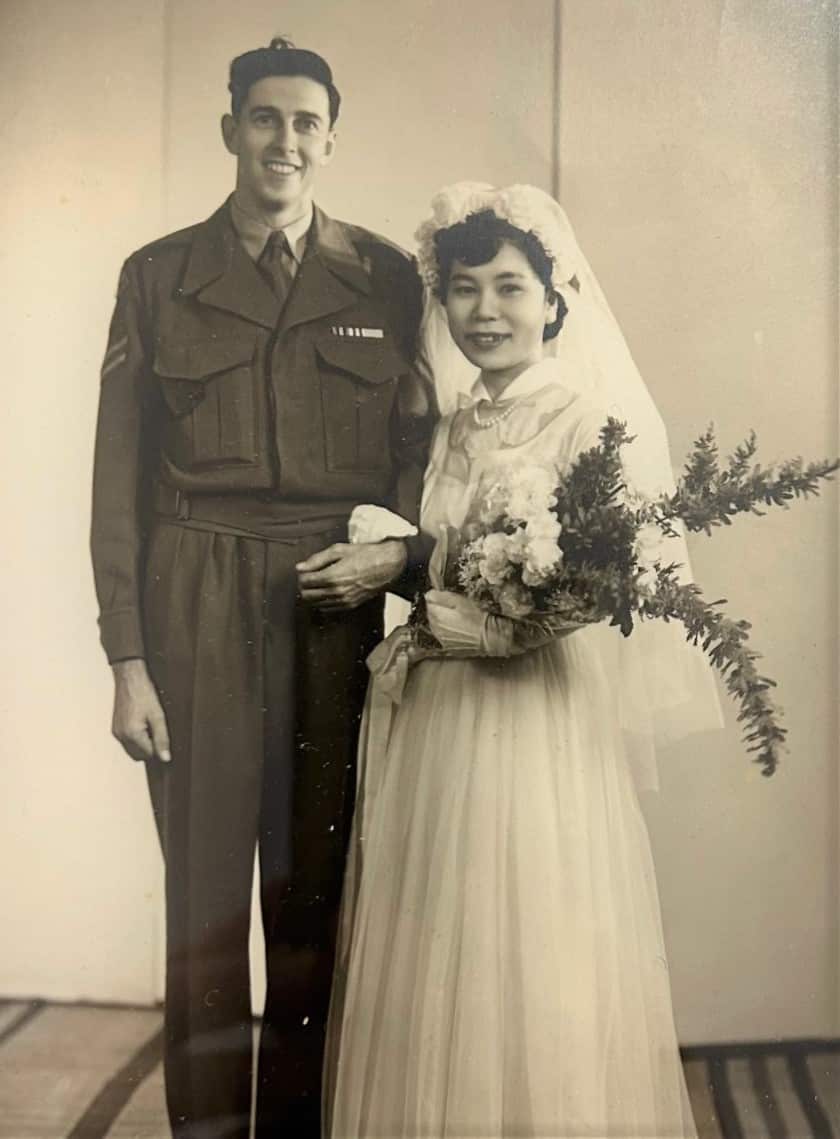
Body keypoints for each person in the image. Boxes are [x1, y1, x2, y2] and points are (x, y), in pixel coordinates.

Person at [323, 184, 722, 1138]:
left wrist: (507, 628)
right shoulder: (453, 422)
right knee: (440, 940)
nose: (486, 311)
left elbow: (612, 582)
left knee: (532, 932)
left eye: (510, 287)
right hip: (442, 713)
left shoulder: (589, 424)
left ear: (554, 299)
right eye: (464, 289)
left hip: (534, 714)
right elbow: (440, 552)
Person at [90, 37, 434, 1139]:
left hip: (331, 607)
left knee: (313, 904)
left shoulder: (385, 275)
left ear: (332, 136)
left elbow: (418, 456)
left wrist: (400, 564)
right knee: (201, 907)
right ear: (229, 126)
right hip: (192, 590)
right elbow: (117, 481)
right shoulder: (157, 274)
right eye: (265, 118)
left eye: (306, 123)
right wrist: (127, 659)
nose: (285, 140)